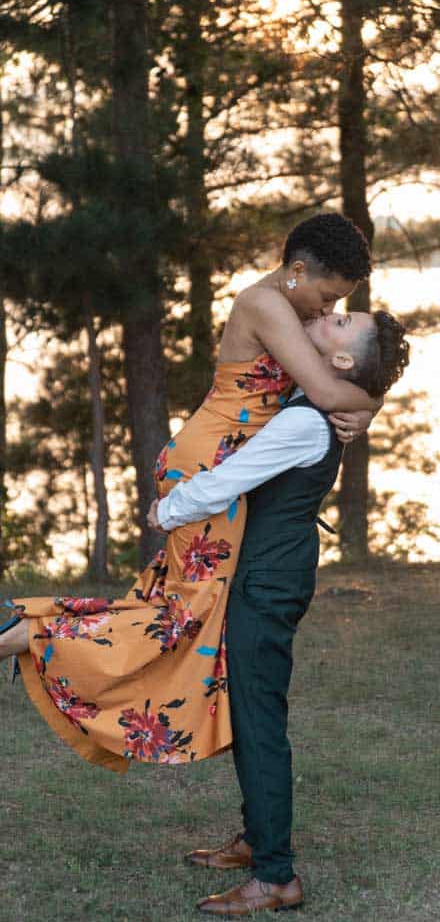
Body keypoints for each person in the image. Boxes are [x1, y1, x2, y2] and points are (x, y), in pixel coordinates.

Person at [0, 213, 379, 773]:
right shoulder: (267, 304)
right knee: (180, 615)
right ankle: (26, 633)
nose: (328, 311)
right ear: (298, 271)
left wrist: (367, 405)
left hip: (220, 470)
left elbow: (331, 380)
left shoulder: (290, 312)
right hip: (209, 470)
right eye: (330, 296)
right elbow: (326, 388)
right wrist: (368, 407)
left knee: (175, 608)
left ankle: (26, 623)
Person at [147, 307, 410, 916]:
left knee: (260, 721)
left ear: (340, 361)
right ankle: (256, 840)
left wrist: (170, 510)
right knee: (251, 712)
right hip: (270, 573)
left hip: (267, 580)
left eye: (344, 323)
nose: (329, 315)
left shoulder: (306, 423)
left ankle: (275, 876)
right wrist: (369, 405)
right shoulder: (311, 400)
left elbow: (232, 478)